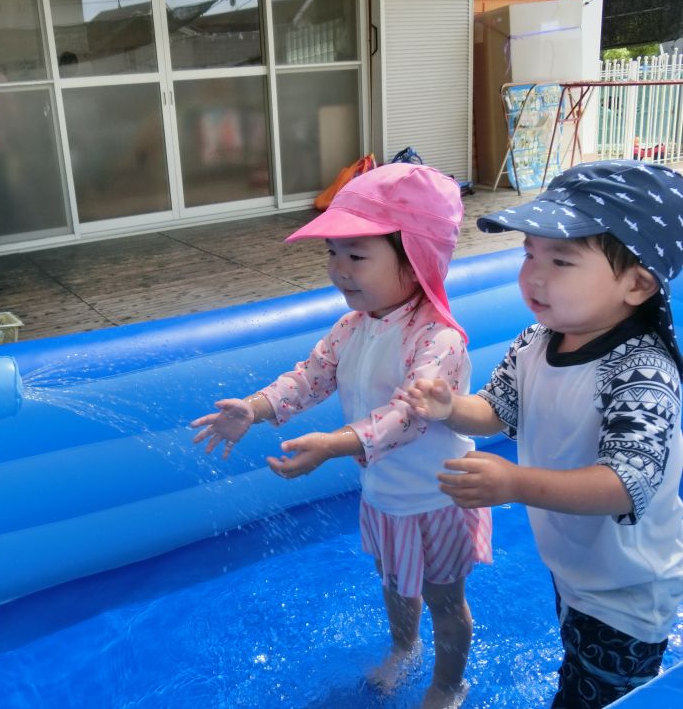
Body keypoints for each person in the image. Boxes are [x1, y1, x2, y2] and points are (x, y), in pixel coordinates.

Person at [191, 163, 491, 709]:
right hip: (384, 495)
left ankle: (449, 684)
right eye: (332, 253)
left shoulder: (439, 340)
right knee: (395, 584)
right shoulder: (353, 326)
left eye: (357, 255)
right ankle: (404, 647)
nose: (339, 269)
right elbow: (310, 377)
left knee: (446, 600)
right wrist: (255, 409)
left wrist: (333, 445)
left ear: (416, 258)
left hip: (437, 497)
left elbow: (409, 416)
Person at [404, 160, 683, 708]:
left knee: (594, 698)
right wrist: (449, 408)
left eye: (561, 260)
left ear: (637, 283)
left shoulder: (641, 374)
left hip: (628, 592)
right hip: (577, 569)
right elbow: (497, 409)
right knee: (575, 666)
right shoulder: (538, 338)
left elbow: (626, 484)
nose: (533, 274)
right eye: (529, 252)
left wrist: (515, 483)